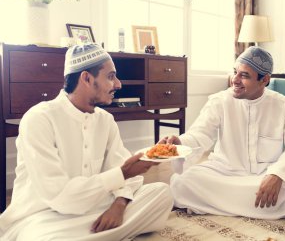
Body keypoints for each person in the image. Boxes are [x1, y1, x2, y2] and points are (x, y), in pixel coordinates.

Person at [0, 44, 173, 241]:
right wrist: (123, 173)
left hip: (96, 207)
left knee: (161, 193)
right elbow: (60, 197)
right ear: (86, 78)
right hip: (44, 217)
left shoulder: (105, 120)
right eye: (110, 76)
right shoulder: (39, 119)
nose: (118, 84)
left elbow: (128, 177)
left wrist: (119, 206)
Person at [160, 46, 285, 219]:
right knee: (182, 182)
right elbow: (199, 134)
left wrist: (277, 174)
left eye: (244, 75)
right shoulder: (219, 101)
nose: (235, 80)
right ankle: (274, 208)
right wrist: (179, 143)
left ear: (264, 80)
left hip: (266, 174)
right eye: (235, 72)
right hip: (224, 172)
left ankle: (218, 204)